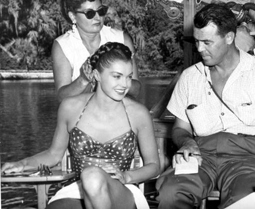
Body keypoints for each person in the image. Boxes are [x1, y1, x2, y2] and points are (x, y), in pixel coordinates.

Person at [155, 3, 255, 209]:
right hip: (202, 155)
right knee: (170, 193)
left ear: (229, 38)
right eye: (197, 41)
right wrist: (187, 143)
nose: (200, 49)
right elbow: (180, 128)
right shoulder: (190, 77)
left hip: (248, 158)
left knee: (248, 199)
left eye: (207, 42)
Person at [1, 42, 160, 209]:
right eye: (117, 76)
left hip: (122, 190)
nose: (125, 84)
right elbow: (54, 155)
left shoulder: (138, 114)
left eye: (129, 76)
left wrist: (127, 176)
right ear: (97, 75)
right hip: (77, 189)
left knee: (92, 176)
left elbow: (154, 166)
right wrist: (22, 164)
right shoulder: (71, 108)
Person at [52, 0, 141, 102]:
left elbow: (136, 90)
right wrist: (83, 80)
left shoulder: (122, 39)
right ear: (73, 16)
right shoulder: (62, 45)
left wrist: (114, 77)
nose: (98, 17)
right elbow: (61, 97)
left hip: (119, 113)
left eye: (101, 11)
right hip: (81, 114)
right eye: (90, 13)